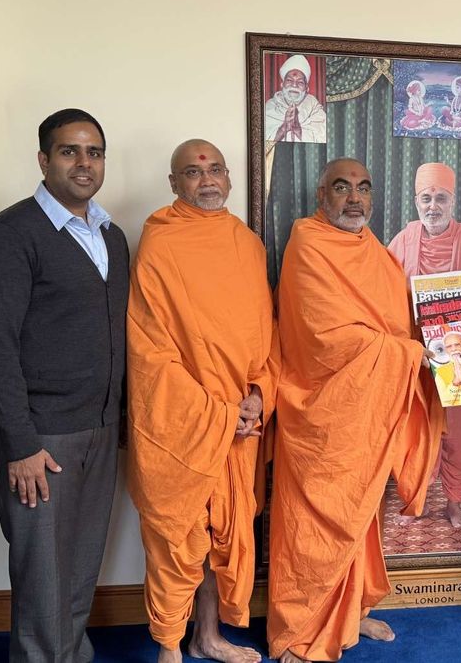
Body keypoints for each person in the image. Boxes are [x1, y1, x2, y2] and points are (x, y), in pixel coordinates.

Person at [267, 158, 445, 662]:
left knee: (360, 514)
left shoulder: (375, 252)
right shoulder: (308, 243)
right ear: (321, 194)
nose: (354, 199)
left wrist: (451, 326)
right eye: (342, 188)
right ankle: (301, 629)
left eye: (364, 188)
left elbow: (399, 321)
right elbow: (330, 339)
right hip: (322, 415)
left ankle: (351, 611)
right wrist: (412, 355)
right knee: (316, 522)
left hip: (368, 410)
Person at [0, 108, 129, 662]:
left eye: (94, 152)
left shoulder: (111, 233)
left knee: (81, 566)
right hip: (42, 438)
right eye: (69, 151)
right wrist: (19, 443)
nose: (83, 163)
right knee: (42, 578)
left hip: (102, 427)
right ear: (43, 159)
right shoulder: (12, 234)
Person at [126, 140, 277, 663]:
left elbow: (263, 337)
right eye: (193, 172)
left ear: (229, 177)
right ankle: (169, 644)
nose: (206, 179)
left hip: (241, 421)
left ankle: (207, 636)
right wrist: (216, 413)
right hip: (182, 422)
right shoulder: (159, 242)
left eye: (214, 169)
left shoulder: (247, 243)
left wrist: (258, 395)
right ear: (174, 184)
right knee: (177, 534)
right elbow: (150, 350)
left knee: (222, 534)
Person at [388, 161, 461, 527]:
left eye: (440, 198)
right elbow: (385, 296)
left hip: (459, 358)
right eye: (426, 198)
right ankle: (415, 499)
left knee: (455, 435)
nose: (432, 206)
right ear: (415, 201)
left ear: (452, 201)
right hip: (414, 359)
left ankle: (454, 503)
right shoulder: (402, 241)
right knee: (415, 433)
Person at [264, 54, 327, 144]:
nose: (294, 85)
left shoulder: (313, 107)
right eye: (289, 80)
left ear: (307, 88)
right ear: (282, 85)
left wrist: (299, 131)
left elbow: (323, 139)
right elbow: (259, 142)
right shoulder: (270, 106)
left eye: (300, 82)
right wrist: (283, 129)